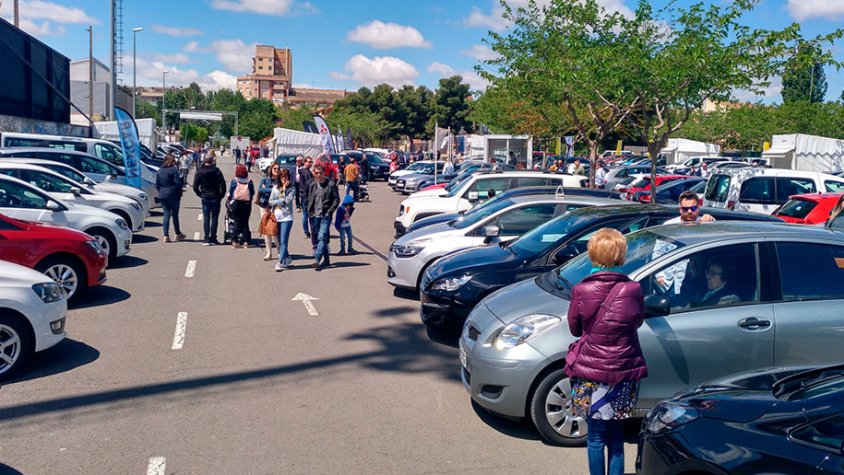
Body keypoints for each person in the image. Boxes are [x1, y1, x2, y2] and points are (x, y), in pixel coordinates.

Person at [565, 228, 647, 475]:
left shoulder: (582, 290)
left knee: (596, 437)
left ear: (593, 253)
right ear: (620, 254)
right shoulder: (633, 289)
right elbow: (638, 322)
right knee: (616, 436)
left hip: (591, 373)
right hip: (624, 370)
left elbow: (574, 329)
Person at [307, 164, 340, 270]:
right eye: (316, 173)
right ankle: (327, 260)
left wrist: (329, 212)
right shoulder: (313, 185)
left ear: (323, 172)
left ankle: (317, 260)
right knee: (322, 238)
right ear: (314, 173)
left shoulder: (330, 185)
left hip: (326, 215)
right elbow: (310, 198)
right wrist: (310, 211)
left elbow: (336, 199)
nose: (319, 175)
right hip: (315, 215)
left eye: (320, 173)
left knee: (321, 237)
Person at [192, 152, 227, 245]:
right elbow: (223, 185)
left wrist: (200, 194)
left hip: (205, 196)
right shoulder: (216, 171)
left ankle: (206, 238)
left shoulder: (199, 171)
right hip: (215, 196)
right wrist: (221, 195)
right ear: (212, 161)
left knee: (206, 218)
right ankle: (213, 238)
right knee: (215, 218)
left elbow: (195, 186)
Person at [270, 169, 296, 272]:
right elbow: (271, 201)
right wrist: (279, 201)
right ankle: (287, 257)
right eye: (282, 177)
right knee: (278, 240)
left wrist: (284, 189)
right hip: (276, 217)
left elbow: (287, 201)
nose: (284, 179)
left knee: (284, 241)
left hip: (287, 217)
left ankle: (280, 262)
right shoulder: (275, 188)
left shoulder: (292, 189)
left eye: (286, 177)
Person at [156, 154, 186, 243]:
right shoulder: (173, 170)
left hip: (162, 195)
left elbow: (157, 184)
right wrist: (180, 193)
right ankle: (177, 233)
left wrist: (161, 191)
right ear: (171, 161)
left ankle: (166, 235)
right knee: (175, 214)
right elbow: (178, 183)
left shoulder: (160, 170)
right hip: (173, 194)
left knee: (166, 214)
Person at [228, 164, 255, 248]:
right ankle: (246, 241)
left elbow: (230, 192)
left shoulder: (234, 181)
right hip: (246, 204)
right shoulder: (249, 181)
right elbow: (252, 192)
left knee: (237, 221)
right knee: (245, 222)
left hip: (236, 203)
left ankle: (235, 241)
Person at [258, 163, 281, 260]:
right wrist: (272, 190)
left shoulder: (281, 180)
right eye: (274, 168)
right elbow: (260, 190)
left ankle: (280, 252)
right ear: (271, 169)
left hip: (276, 207)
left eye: (278, 168)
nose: (276, 170)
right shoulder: (265, 179)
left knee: (275, 230)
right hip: (265, 206)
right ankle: (269, 253)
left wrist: (266, 189)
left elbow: (282, 191)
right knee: (267, 230)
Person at [298, 156, 314, 238]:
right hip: (306, 196)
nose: (311, 163)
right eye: (309, 162)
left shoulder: (306, 171)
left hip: (304, 195)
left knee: (305, 214)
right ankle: (307, 231)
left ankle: (307, 231)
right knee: (306, 214)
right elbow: (309, 185)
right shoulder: (306, 172)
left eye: (311, 162)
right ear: (305, 162)